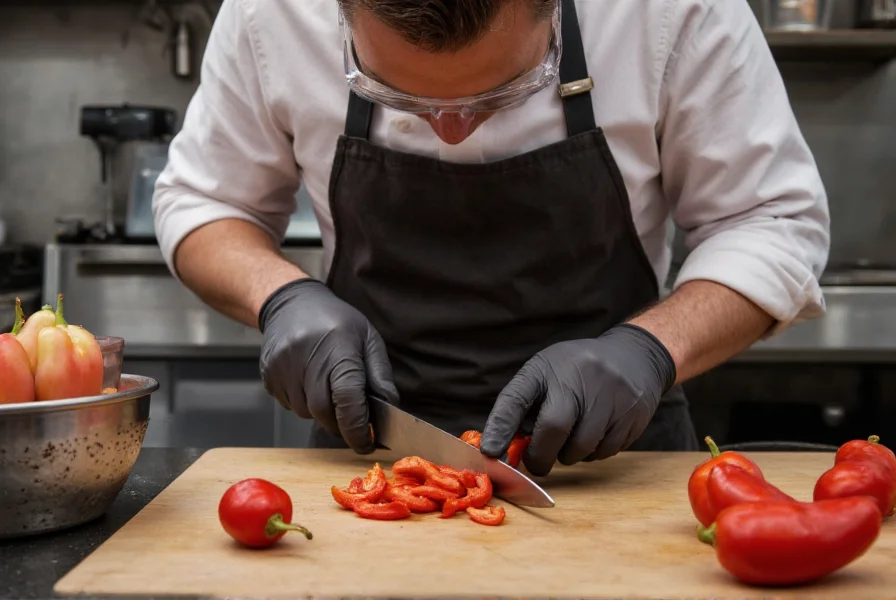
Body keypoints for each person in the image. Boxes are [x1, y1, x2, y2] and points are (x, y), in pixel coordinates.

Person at [152, 0, 830, 476]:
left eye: (502, 94)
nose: (453, 131)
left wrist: (652, 350)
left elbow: (771, 221)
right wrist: (279, 298)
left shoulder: (669, 11)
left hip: (617, 463)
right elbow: (204, 198)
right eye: (401, 99)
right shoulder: (271, 13)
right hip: (370, 459)